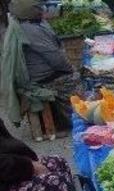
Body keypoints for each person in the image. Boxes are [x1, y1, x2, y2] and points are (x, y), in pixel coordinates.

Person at [8, 0, 80, 131]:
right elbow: (56, 59)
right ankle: (74, 118)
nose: (43, 9)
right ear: (32, 11)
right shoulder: (31, 30)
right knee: (79, 79)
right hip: (44, 78)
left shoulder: (25, 23)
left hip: (41, 74)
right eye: (40, 7)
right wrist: (71, 69)